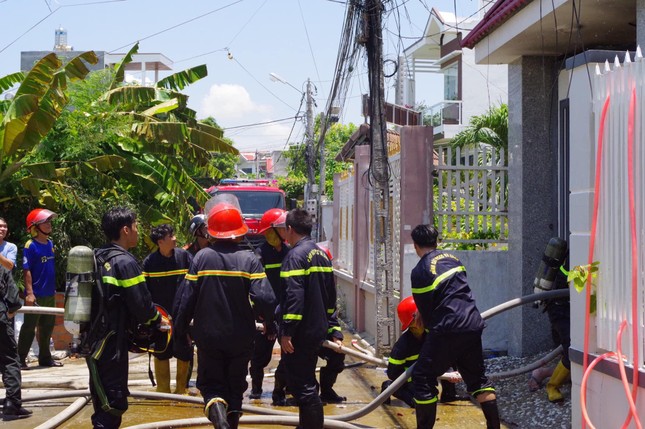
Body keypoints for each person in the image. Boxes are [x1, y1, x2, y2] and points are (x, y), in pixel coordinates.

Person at [174, 202, 276, 429]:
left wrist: (180, 331)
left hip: (208, 335)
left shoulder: (201, 258)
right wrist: (270, 323)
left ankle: (219, 419)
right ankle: (229, 423)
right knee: (236, 386)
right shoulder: (249, 260)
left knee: (211, 386)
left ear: (212, 231)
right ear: (238, 232)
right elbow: (266, 299)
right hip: (241, 336)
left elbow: (186, 299)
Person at [410, 224, 500, 429]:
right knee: (478, 381)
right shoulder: (453, 259)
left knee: (422, 377)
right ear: (437, 241)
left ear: (415, 245)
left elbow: (425, 313)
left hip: (448, 327)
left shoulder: (420, 270)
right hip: (472, 323)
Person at [86, 207, 168, 429]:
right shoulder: (125, 262)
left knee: (103, 402)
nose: (138, 231)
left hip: (96, 342)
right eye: (135, 226)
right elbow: (142, 304)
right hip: (111, 345)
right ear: (125, 230)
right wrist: (158, 323)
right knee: (112, 407)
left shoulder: (98, 256)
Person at [273, 208, 337, 429]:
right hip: (316, 329)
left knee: (304, 387)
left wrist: (287, 331)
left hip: (301, 332)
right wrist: (333, 328)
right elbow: (331, 297)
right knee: (306, 381)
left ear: (289, 229)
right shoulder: (321, 255)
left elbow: (294, 296)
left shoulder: (295, 256)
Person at [380, 296, 460, 407]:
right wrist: (416, 377)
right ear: (412, 321)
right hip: (410, 380)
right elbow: (393, 373)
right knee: (420, 403)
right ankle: (389, 387)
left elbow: (443, 356)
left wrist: (450, 373)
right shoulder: (403, 346)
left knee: (450, 353)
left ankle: (449, 395)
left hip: (426, 374)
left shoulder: (431, 335)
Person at [142, 224, 193, 394]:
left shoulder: (184, 257)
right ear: (160, 242)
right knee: (161, 352)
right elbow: (144, 292)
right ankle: (163, 390)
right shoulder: (150, 263)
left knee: (184, 352)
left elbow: (194, 284)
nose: (175, 239)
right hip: (160, 319)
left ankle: (181, 390)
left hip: (182, 316)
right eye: (171, 236)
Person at [248, 208, 289, 401]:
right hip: (264, 316)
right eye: (280, 228)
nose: (285, 231)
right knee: (259, 357)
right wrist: (264, 317)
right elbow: (255, 291)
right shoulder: (259, 256)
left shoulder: (291, 253)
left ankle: (279, 390)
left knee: (289, 355)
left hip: (287, 314)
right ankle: (256, 389)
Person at [18, 208, 62, 369]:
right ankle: (20, 359)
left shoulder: (50, 243)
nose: (49, 224)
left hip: (49, 293)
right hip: (35, 295)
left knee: (47, 327)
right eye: (45, 222)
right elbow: (26, 270)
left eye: (50, 221)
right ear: (35, 226)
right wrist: (29, 293)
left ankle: (45, 358)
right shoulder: (30, 245)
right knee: (29, 327)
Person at [529, 238, 571, 402]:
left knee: (574, 353)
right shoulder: (578, 252)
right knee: (571, 348)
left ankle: (541, 373)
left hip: (568, 307)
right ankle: (552, 386)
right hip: (560, 308)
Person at [0, 262, 32, 421]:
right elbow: (14, 301)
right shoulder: (2, 270)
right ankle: (12, 404)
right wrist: (7, 316)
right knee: (10, 361)